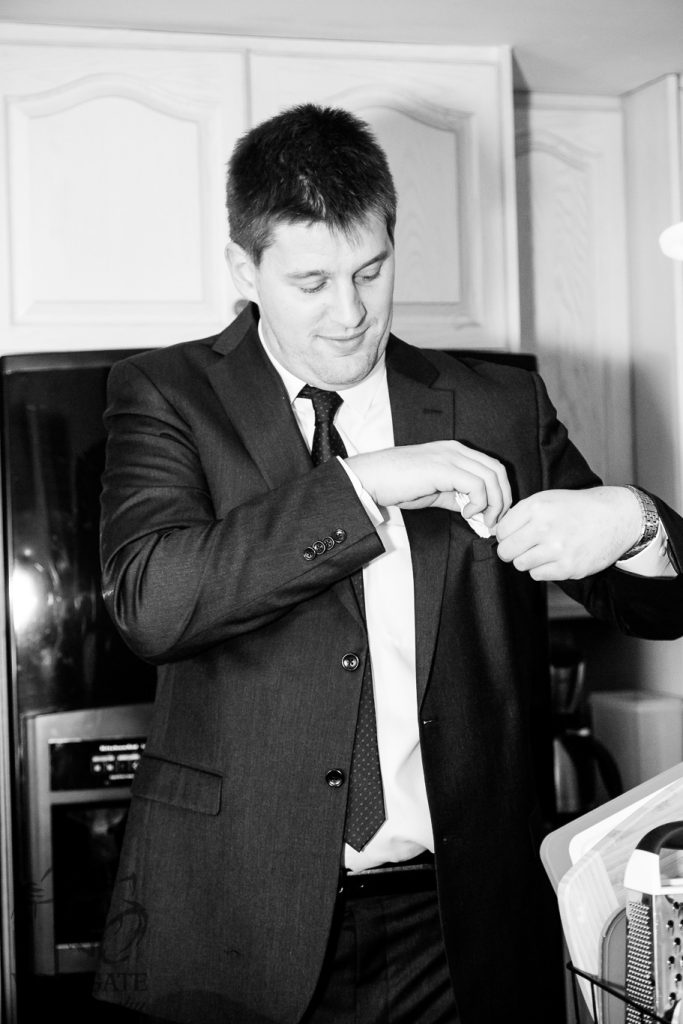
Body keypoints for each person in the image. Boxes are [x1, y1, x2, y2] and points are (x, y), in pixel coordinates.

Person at [93, 103, 683, 1024]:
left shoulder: (497, 406)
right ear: (245, 270)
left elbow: (653, 609)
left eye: (370, 271)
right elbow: (151, 602)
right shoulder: (167, 393)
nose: (350, 313)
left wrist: (634, 520)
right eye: (311, 281)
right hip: (230, 916)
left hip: (459, 929)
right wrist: (362, 483)